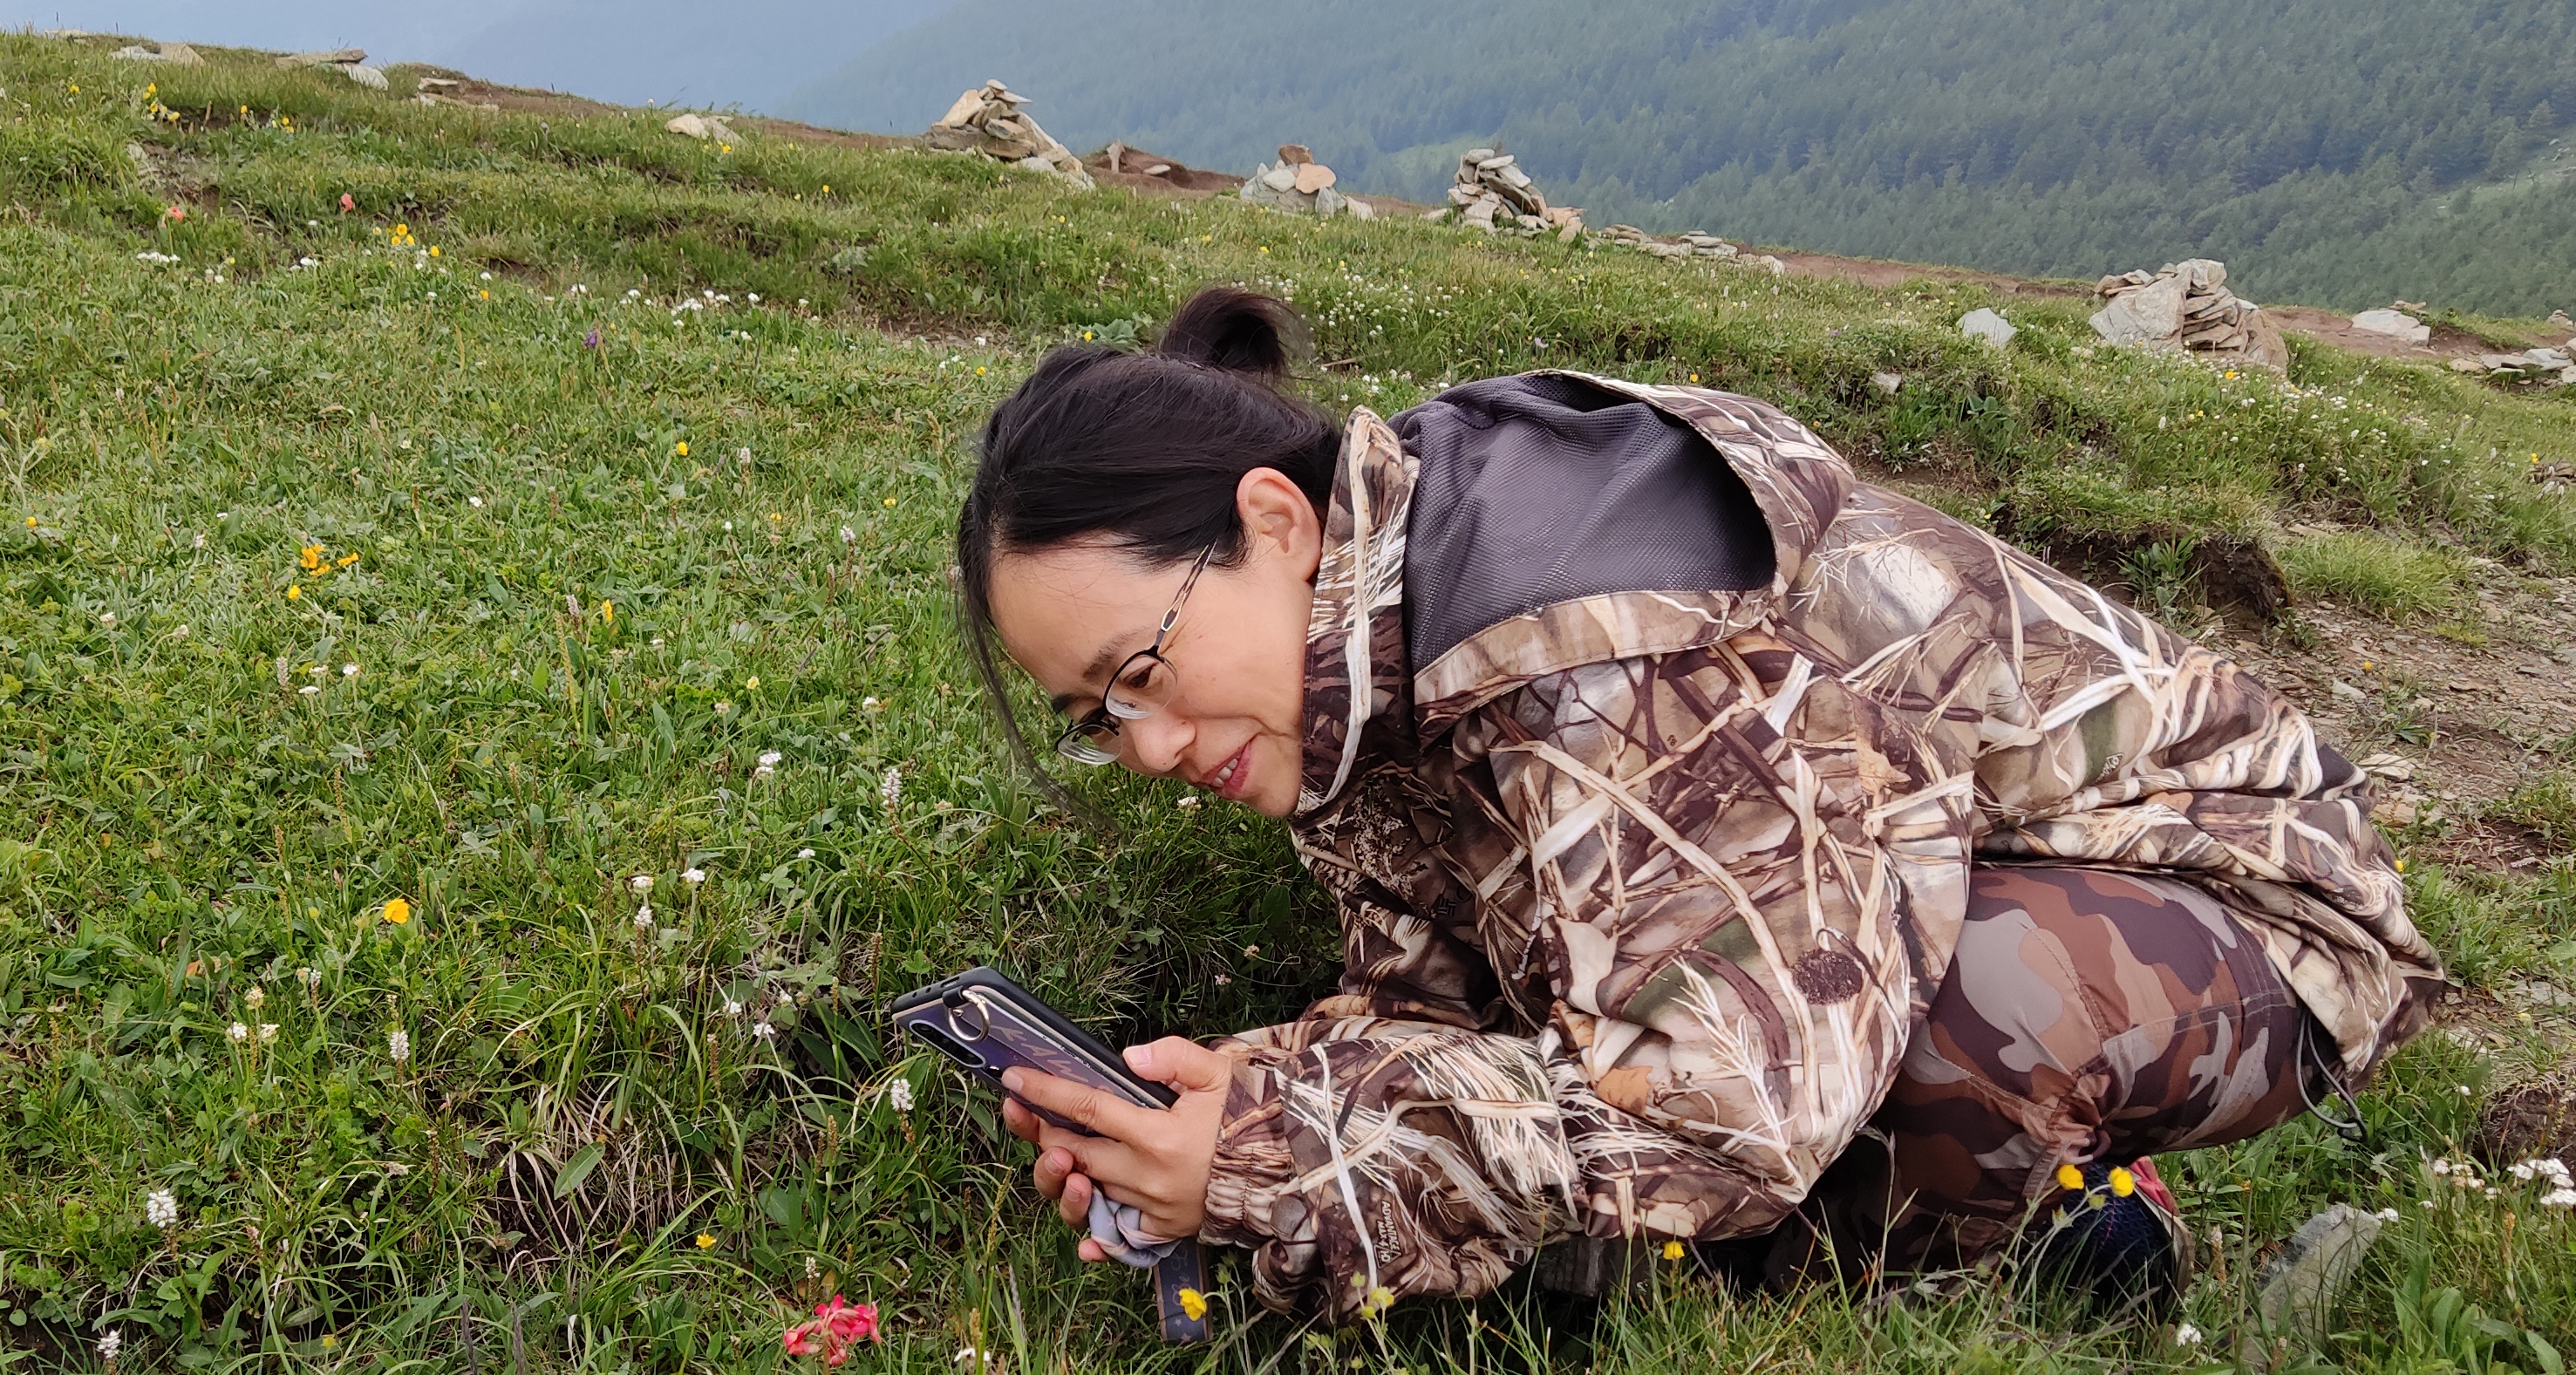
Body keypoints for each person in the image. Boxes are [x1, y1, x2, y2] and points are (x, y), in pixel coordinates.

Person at [957, 286, 2441, 1319]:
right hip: (1892, 877)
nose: (1147, 747)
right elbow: (1439, 1008)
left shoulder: (1595, 641)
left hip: (2242, 908)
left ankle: (2084, 1228)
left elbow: (1729, 1116)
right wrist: (1239, 1104)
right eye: (1099, 720)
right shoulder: (1344, 669)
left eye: (1139, 672)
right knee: (1598, 1145)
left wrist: (1289, 1155)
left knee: (1941, 1051)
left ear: (1271, 525)